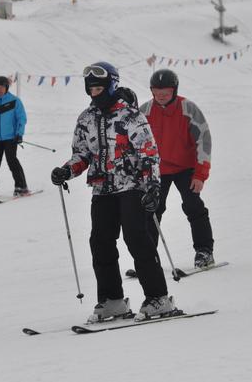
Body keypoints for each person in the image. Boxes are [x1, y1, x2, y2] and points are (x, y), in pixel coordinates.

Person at [50, 61, 177, 322]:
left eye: (99, 88)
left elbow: (148, 154)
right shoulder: (86, 118)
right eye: (91, 89)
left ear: (111, 86)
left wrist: (153, 185)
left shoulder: (130, 116)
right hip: (102, 189)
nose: (94, 94)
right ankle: (112, 300)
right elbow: (82, 154)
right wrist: (67, 170)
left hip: (132, 186)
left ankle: (158, 298)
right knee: (100, 243)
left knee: (136, 239)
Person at [139, 69, 215, 269]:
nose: (161, 95)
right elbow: (135, 144)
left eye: (165, 91)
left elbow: (203, 141)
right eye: (157, 91)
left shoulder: (188, 108)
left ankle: (204, 252)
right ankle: (147, 259)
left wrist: (200, 174)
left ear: (174, 90)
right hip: (157, 171)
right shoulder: (144, 111)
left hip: (186, 168)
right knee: (152, 211)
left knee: (193, 207)